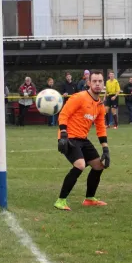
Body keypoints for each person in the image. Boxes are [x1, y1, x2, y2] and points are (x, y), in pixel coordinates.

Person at [54, 71, 111, 211]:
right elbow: (63, 114)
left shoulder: (99, 105)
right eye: (95, 81)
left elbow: (101, 128)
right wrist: (63, 134)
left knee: (98, 166)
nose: (97, 84)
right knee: (80, 165)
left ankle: (89, 199)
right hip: (69, 137)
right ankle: (60, 200)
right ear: (89, 83)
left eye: (100, 81)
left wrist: (105, 148)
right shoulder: (79, 97)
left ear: (103, 84)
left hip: (83, 139)